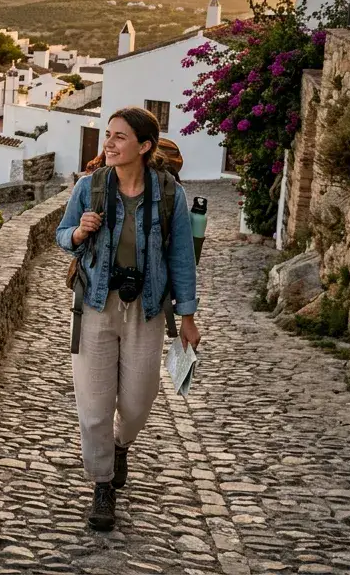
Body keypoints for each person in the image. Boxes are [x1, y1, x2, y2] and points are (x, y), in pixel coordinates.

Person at [56, 107, 200, 531]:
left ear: (145, 146)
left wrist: (188, 316)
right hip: (97, 306)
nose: (110, 144)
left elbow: (181, 258)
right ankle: (102, 486)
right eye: (108, 135)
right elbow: (62, 237)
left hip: (148, 307)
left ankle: (120, 445)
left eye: (120, 137)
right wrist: (80, 233)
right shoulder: (90, 187)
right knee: (94, 407)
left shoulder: (169, 193)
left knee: (138, 401)